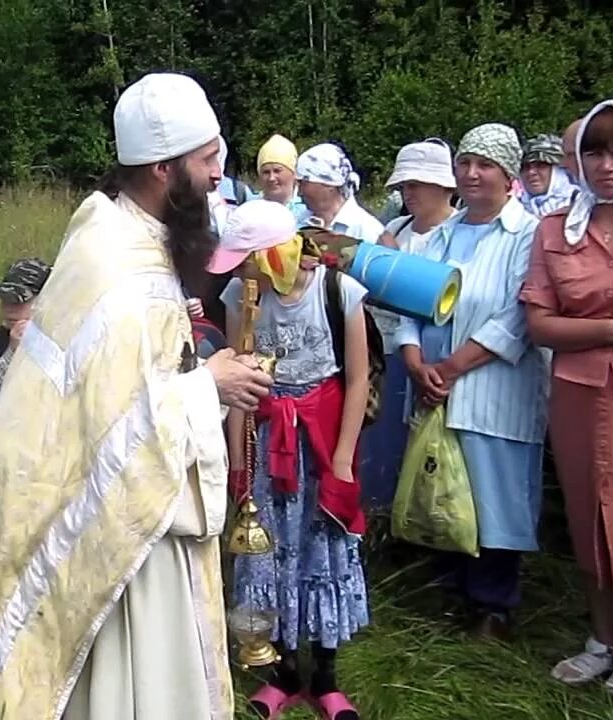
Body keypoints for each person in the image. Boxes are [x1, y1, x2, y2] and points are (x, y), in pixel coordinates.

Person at [0, 71, 275, 720]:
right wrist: (209, 385)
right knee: (138, 688)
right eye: (209, 159)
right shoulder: (110, 260)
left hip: (149, 510)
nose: (220, 174)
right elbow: (108, 428)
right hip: (123, 537)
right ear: (162, 167)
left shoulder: (135, 233)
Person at [523, 98, 613, 701]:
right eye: (595, 151)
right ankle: (603, 639)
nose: (607, 165)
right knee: (592, 517)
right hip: (579, 392)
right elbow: (539, 322)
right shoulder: (557, 227)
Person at [214, 199, 371, 720]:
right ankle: (280, 673)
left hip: (321, 441)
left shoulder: (338, 292)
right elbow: (240, 377)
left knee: (321, 543)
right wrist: (239, 463)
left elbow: (357, 377)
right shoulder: (241, 294)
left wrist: (344, 457)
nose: (241, 270)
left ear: (276, 253)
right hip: (267, 441)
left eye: (248, 258)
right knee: (266, 548)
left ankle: (325, 676)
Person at [396, 123, 548, 639]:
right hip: (434, 386)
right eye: (465, 163)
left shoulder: (528, 236)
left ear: (509, 176)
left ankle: (493, 604)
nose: (472, 173)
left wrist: (453, 367)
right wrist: (416, 362)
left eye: (485, 165)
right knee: (442, 487)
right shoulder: (441, 235)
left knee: (493, 492)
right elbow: (407, 305)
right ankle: (451, 587)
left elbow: (516, 316)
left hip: (493, 389)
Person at [363, 140, 458, 508]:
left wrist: (396, 265)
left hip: (435, 357)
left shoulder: (455, 233)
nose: (409, 193)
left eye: (417, 184)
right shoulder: (396, 228)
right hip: (387, 350)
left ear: (442, 186)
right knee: (387, 439)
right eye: (405, 186)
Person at [0, 257, 51, 409]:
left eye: (18, 301)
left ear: (43, 301)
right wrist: (11, 353)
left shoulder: (58, 337)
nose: (9, 308)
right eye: (5, 300)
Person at [295, 143, 385, 242]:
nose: (299, 193)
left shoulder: (368, 231)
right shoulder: (298, 223)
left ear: (329, 183)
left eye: (303, 183)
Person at [519, 134, 578, 218]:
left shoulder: (579, 202)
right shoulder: (515, 209)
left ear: (557, 170)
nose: (531, 172)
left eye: (540, 165)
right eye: (525, 167)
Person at [255, 134, 309, 223]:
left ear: (293, 172)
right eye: (266, 172)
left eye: (277, 171)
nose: (271, 178)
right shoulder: (250, 210)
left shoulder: (308, 211)